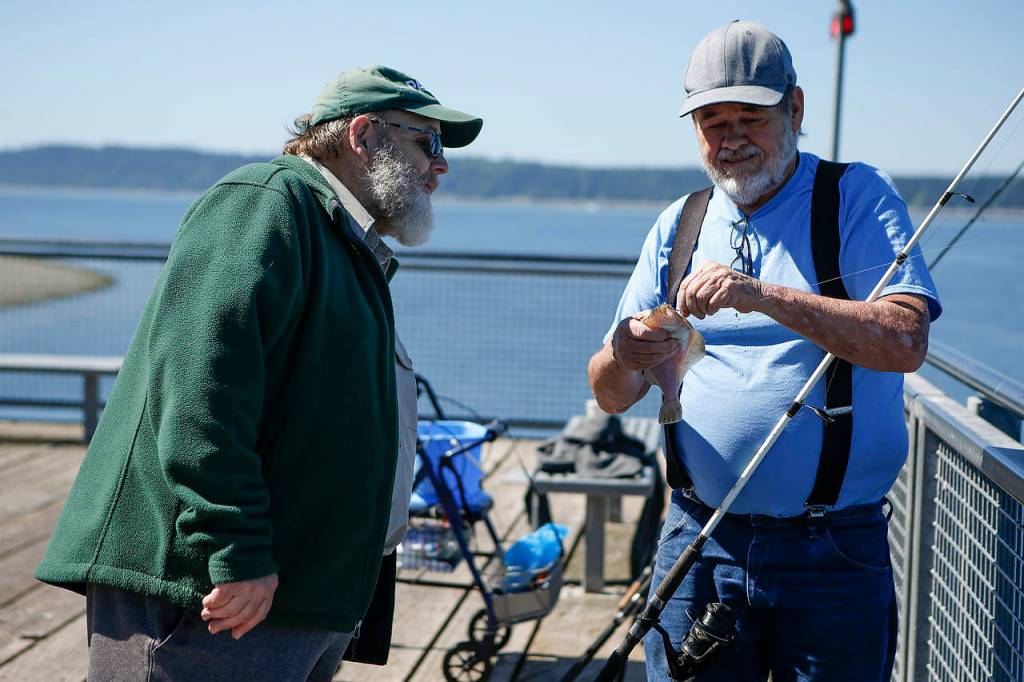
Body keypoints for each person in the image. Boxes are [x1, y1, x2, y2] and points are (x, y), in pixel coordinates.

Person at [35, 65, 482, 681]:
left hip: (298, 597)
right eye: (426, 142)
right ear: (362, 134)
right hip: (219, 596)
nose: (441, 165)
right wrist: (235, 548)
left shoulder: (340, 237)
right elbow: (199, 389)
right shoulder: (267, 202)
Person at [588, 21, 940, 682]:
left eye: (752, 116)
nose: (732, 138)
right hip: (699, 540)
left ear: (796, 109)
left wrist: (762, 296)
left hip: (833, 550)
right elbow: (609, 392)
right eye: (713, 122)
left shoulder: (856, 197)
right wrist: (623, 352)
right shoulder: (680, 222)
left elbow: (904, 339)